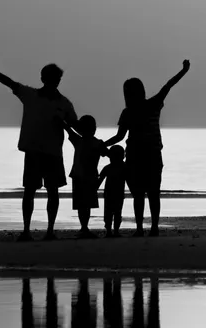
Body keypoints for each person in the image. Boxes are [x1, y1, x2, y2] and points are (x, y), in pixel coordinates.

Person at [0, 53, 77, 241]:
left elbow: (76, 125)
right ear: (43, 79)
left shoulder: (64, 103)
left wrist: (66, 124)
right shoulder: (30, 95)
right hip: (34, 151)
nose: (54, 82)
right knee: (30, 190)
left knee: (52, 191)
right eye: (51, 78)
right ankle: (27, 230)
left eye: (57, 79)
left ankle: (50, 231)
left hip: (53, 152)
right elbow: (9, 82)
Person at [106, 59, 190, 237]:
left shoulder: (128, 112)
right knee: (153, 193)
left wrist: (103, 145)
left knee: (139, 194)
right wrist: (183, 71)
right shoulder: (152, 104)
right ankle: (153, 228)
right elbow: (168, 86)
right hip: (151, 155)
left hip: (136, 156)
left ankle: (140, 228)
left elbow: (120, 137)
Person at [64, 114, 109, 239]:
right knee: (86, 204)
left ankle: (84, 228)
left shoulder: (80, 140)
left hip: (81, 176)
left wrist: (63, 120)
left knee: (82, 205)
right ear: (94, 128)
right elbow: (108, 154)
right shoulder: (96, 143)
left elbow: (67, 129)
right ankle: (84, 228)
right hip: (87, 177)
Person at [98, 145, 126, 238]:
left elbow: (99, 180)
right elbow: (130, 180)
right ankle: (115, 231)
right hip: (119, 194)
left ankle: (109, 231)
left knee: (108, 213)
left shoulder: (108, 168)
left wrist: (93, 189)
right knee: (117, 212)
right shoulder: (124, 167)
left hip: (109, 193)